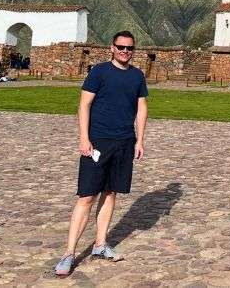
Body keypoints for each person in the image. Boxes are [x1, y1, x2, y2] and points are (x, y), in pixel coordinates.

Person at [54, 30, 149, 277]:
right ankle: (69, 252)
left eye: (129, 48)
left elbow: (142, 107)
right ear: (112, 47)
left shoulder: (138, 76)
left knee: (110, 192)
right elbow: (84, 105)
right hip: (98, 140)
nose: (125, 51)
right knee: (86, 196)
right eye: (121, 47)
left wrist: (140, 140)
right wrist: (84, 138)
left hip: (124, 141)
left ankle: (100, 244)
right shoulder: (98, 72)